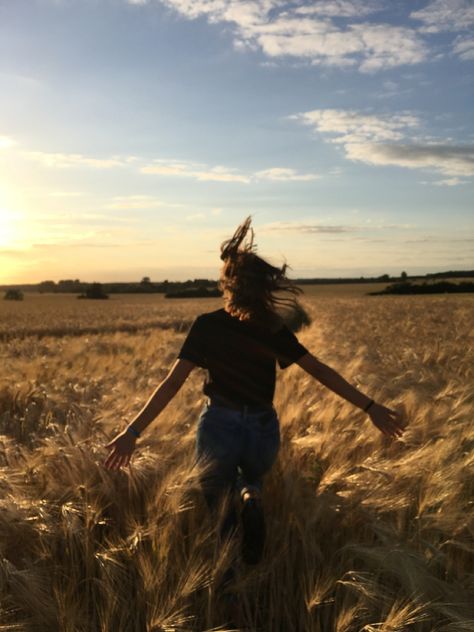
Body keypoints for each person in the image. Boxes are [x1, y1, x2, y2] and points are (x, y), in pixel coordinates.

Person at [104, 216, 405, 566]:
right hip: (262, 430)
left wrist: (133, 431)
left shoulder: (207, 326)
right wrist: (370, 406)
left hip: (220, 424)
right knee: (251, 478)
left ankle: (231, 571)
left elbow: (172, 383)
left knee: (219, 508)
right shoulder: (272, 328)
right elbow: (319, 370)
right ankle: (250, 494)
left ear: (228, 285)